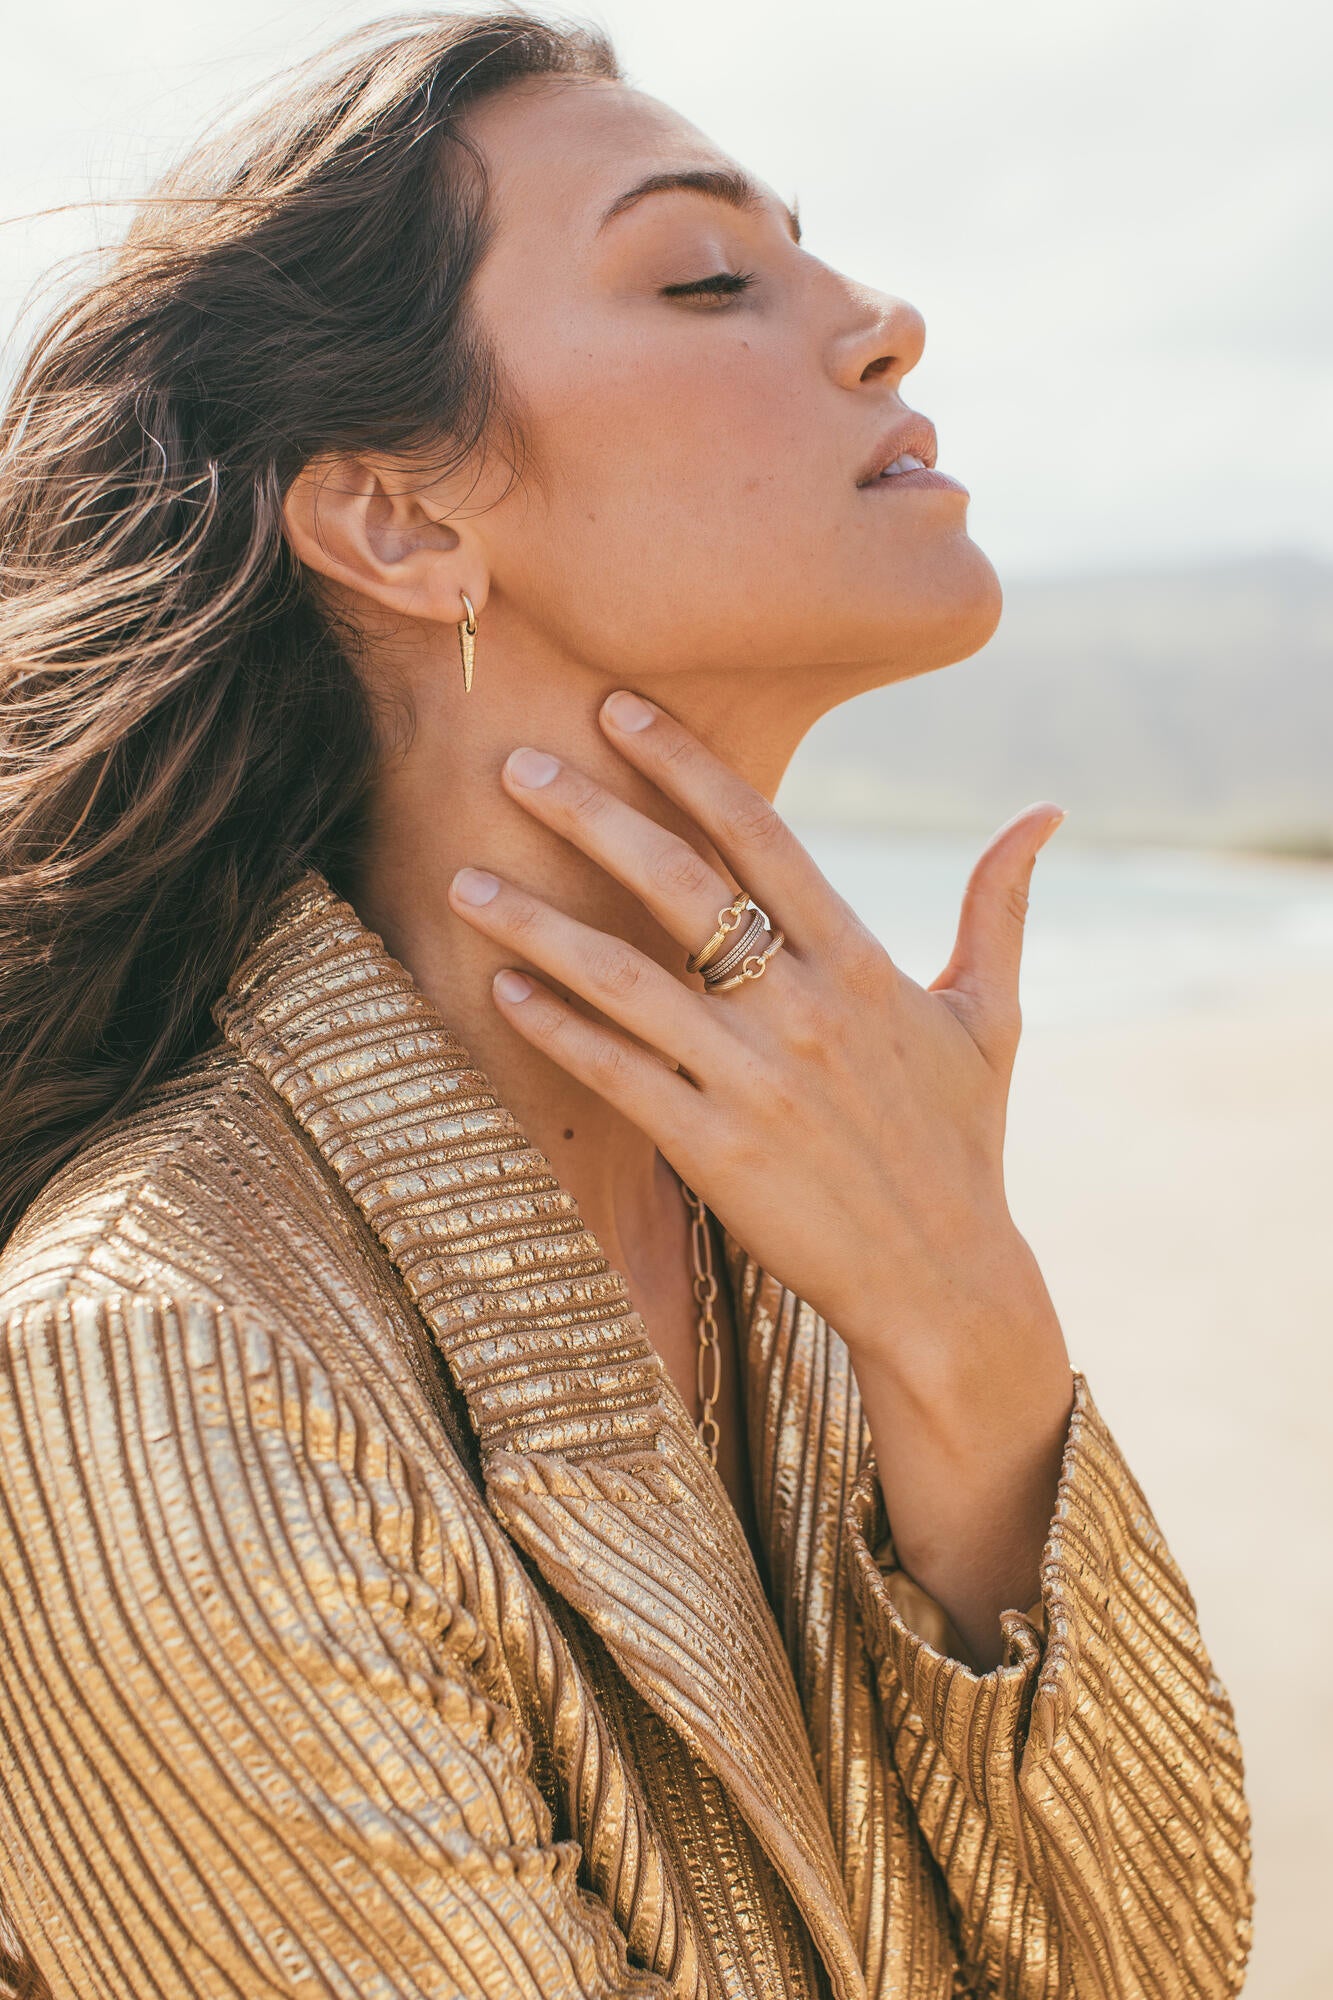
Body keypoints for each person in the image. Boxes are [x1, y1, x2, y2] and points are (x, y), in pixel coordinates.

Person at [0, 12, 1253, 1998]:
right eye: (702, 278)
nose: (883, 319)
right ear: (397, 522)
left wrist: (976, 1354)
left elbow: (1153, 1958)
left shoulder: (821, 1226)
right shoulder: (162, 1356)